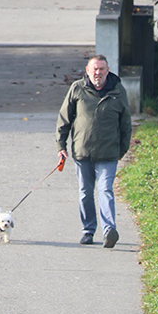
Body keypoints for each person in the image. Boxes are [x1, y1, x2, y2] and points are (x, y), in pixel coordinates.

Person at [56, 55, 132, 248]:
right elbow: (64, 119)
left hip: (109, 153)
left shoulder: (118, 91)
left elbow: (125, 124)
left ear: (107, 70)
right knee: (85, 192)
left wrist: (121, 150)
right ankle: (88, 231)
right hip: (83, 152)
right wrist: (61, 146)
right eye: (95, 69)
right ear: (87, 70)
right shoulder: (77, 89)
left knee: (105, 190)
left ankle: (109, 231)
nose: (98, 73)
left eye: (102, 69)